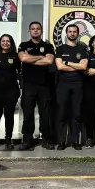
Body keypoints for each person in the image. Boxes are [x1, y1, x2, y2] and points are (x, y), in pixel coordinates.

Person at [18, 21, 56, 150]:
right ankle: (27, 140)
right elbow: (23, 59)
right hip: (28, 85)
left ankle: (46, 139)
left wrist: (31, 59)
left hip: (44, 85)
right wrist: (41, 57)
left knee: (45, 114)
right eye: (33, 29)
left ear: (41, 31)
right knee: (28, 113)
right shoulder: (23, 45)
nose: (35, 30)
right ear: (29, 31)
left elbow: (49, 60)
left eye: (38, 28)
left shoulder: (48, 46)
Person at [55, 24, 89, 150]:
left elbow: (84, 67)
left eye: (74, 32)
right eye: (70, 31)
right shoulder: (60, 49)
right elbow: (60, 67)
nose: (72, 34)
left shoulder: (82, 49)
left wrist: (68, 62)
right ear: (66, 33)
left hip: (78, 84)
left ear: (78, 33)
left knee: (77, 114)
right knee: (62, 113)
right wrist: (76, 65)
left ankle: (75, 141)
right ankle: (62, 141)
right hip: (63, 84)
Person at [0, 34, 21, 150]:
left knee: (9, 115)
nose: (5, 43)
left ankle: (8, 139)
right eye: (3, 41)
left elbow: (19, 72)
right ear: (0, 42)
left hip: (11, 90)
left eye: (8, 41)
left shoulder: (16, 56)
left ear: (11, 43)